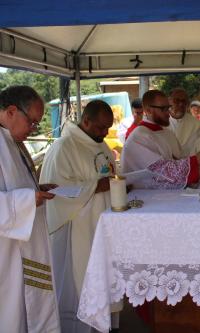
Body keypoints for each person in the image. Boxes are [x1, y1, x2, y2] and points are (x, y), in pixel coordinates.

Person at [40, 100, 120, 332]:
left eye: (107, 128)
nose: (104, 133)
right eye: (100, 128)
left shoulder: (101, 145)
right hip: (78, 227)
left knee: (102, 276)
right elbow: (57, 189)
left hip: (101, 222)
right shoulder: (64, 146)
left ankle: (102, 323)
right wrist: (96, 186)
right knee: (81, 280)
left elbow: (109, 175)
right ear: (85, 121)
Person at [0, 85, 60, 332]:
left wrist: (35, 188)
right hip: (6, 252)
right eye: (32, 122)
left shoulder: (11, 139)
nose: (33, 129)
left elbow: (14, 183)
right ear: (12, 111)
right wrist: (27, 200)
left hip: (24, 243)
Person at [121, 90, 200, 188]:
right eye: (163, 109)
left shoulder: (167, 133)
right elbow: (162, 170)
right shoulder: (139, 137)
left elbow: (177, 160)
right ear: (148, 110)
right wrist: (195, 160)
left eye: (168, 108)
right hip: (144, 197)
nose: (168, 113)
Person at [168, 88, 200, 157]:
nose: (181, 104)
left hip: (192, 165)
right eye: (176, 100)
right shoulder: (159, 123)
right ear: (168, 101)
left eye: (184, 101)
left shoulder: (198, 125)